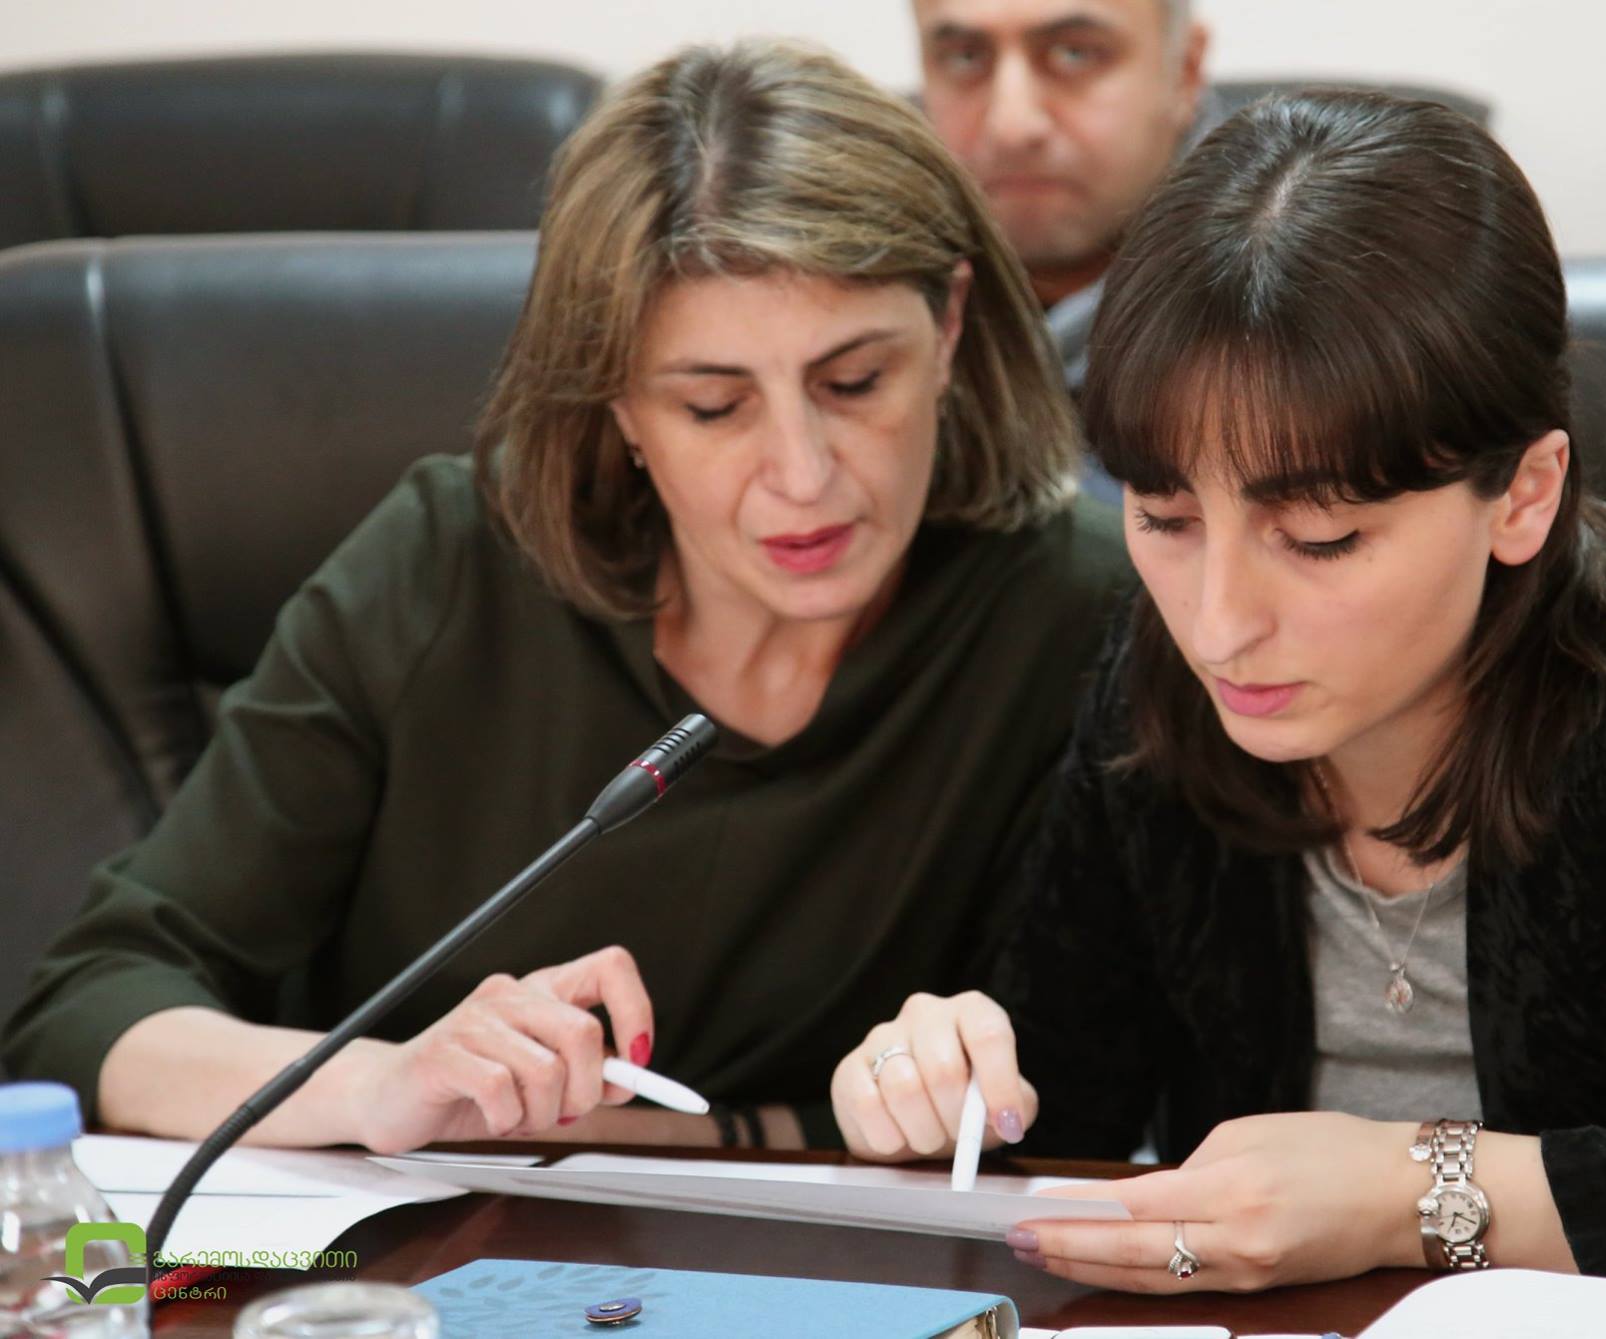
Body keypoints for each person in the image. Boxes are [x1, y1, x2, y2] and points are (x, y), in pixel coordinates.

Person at [828, 90, 1606, 1296]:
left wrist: (1416, 1190)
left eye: (1318, 538)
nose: (1217, 623)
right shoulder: (1157, 684)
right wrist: (935, 1093)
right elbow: (1057, 1134)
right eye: (1163, 516)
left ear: (1521, 495)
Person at [0, 41, 1128, 1156]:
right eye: (713, 406)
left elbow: (1078, 1106)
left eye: (853, 382)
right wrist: (383, 1087)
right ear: (618, 399)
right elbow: (90, 1005)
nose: (802, 472)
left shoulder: (1075, 615)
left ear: (948, 326)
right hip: (400, 1247)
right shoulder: (452, 562)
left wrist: (763, 1128)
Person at [912, 0, 1213, 398]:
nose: (1012, 127)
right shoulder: (863, 300)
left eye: (1075, 54)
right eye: (965, 57)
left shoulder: (1285, 313)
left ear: (1185, 71)